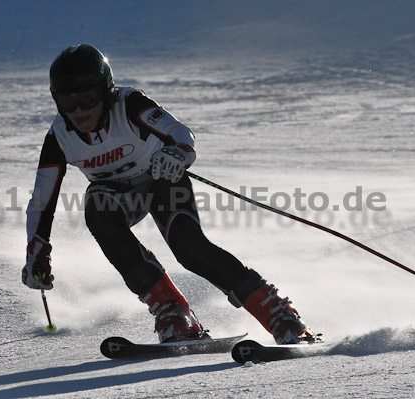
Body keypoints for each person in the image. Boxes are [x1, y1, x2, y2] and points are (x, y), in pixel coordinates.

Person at [22, 44, 319, 344]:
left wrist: (178, 153)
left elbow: (180, 132)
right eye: (67, 102)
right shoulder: (59, 136)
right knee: (97, 207)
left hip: (162, 178)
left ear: (106, 91)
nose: (79, 111)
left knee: (188, 249)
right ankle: (173, 311)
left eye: (87, 98)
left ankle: (278, 313)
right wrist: (36, 249)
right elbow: (42, 199)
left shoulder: (130, 104)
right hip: (118, 196)